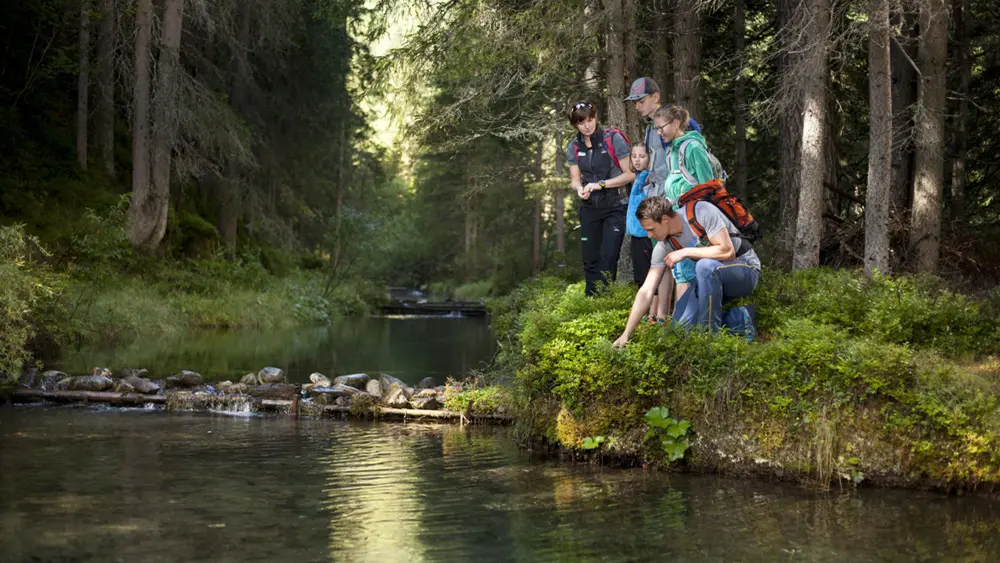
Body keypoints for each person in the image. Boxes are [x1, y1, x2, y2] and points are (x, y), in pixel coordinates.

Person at [612, 196, 760, 348]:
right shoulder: (664, 246)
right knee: (678, 330)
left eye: (651, 229)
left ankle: (710, 340)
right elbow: (646, 291)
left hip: (745, 270)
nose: (649, 235)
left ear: (664, 220)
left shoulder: (701, 211)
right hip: (710, 282)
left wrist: (685, 252)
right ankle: (740, 317)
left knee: (704, 266)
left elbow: (727, 251)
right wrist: (626, 334)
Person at [566, 101, 635, 297]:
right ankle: (591, 303)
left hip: (616, 205)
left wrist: (600, 184)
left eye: (590, 120)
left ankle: (605, 302)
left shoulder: (612, 139)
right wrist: (580, 189)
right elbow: (574, 180)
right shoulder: (573, 146)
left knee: (608, 256)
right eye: (581, 123)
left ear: (596, 118)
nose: (587, 125)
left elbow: (630, 174)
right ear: (575, 125)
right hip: (589, 208)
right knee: (590, 258)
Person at [654, 104, 716, 304]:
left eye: (661, 127)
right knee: (680, 270)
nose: (659, 132)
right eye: (656, 128)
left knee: (687, 269)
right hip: (678, 216)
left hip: (695, 218)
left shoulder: (693, 147)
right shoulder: (672, 148)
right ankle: (683, 324)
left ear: (675, 123)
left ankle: (686, 325)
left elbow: (709, 186)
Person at [625, 144, 660, 319]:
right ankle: (646, 313)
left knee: (649, 276)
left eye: (642, 156)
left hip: (647, 236)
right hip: (636, 236)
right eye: (634, 156)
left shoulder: (649, 177)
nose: (637, 160)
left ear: (650, 158)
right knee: (640, 275)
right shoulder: (639, 176)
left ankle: (653, 315)